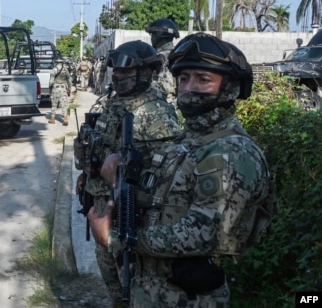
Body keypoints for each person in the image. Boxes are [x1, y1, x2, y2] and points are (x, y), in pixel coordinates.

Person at [88, 33, 272, 307]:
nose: (189, 88)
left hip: (186, 297)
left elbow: (203, 234)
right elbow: (163, 200)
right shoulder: (187, 142)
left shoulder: (231, 151)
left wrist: (115, 238)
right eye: (183, 78)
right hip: (152, 289)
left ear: (230, 88)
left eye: (203, 79)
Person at [76, 40, 181, 307]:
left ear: (147, 72)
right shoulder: (115, 104)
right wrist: (88, 175)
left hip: (129, 215)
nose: (118, 76)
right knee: (112, 284)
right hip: (101, 206)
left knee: (132, 288)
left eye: (126, 71)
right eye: (116, 71)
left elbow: (165, 177)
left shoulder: (157, 114)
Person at [145, 18, 180, 105]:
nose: (151, 38)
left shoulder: (160, 57)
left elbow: (165, 87)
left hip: (163, 103)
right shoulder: (178, 53)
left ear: (160, 36)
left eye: (153, 35)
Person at [48, 56, 72, 125]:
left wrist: (49, 87)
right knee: (64, 104)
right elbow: (69, 80)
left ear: (56, 62)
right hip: (63, 88)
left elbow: (51, 81)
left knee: (54, 104)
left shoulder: (54, 70)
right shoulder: (66, 70)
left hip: (55, 88)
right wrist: (69, 87)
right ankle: (65, 119)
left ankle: (52, 119)